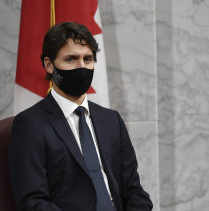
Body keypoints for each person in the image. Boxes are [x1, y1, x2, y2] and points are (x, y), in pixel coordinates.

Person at [9, 22, 153, 211]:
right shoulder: (30, 125)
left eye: (88, 59)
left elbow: (134, 192)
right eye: (71, 59)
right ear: (49, 65)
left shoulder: (111, 121)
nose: (82, 67)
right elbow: (33, 202)